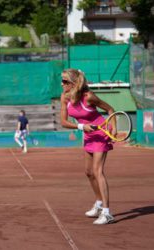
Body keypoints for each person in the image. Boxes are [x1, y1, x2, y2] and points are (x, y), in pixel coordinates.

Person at [60, 68, 116, 225]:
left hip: (101, 134)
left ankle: (107, 212)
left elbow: (110, 110)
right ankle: (98, 204)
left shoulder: (89, 97)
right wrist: (81, 127)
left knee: (98, 171)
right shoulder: (64, 97)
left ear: (73, 83)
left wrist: (114, 127)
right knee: (88, 172)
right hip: (88, 134)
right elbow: (63, 122)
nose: (61, 84)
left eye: (64, 81)